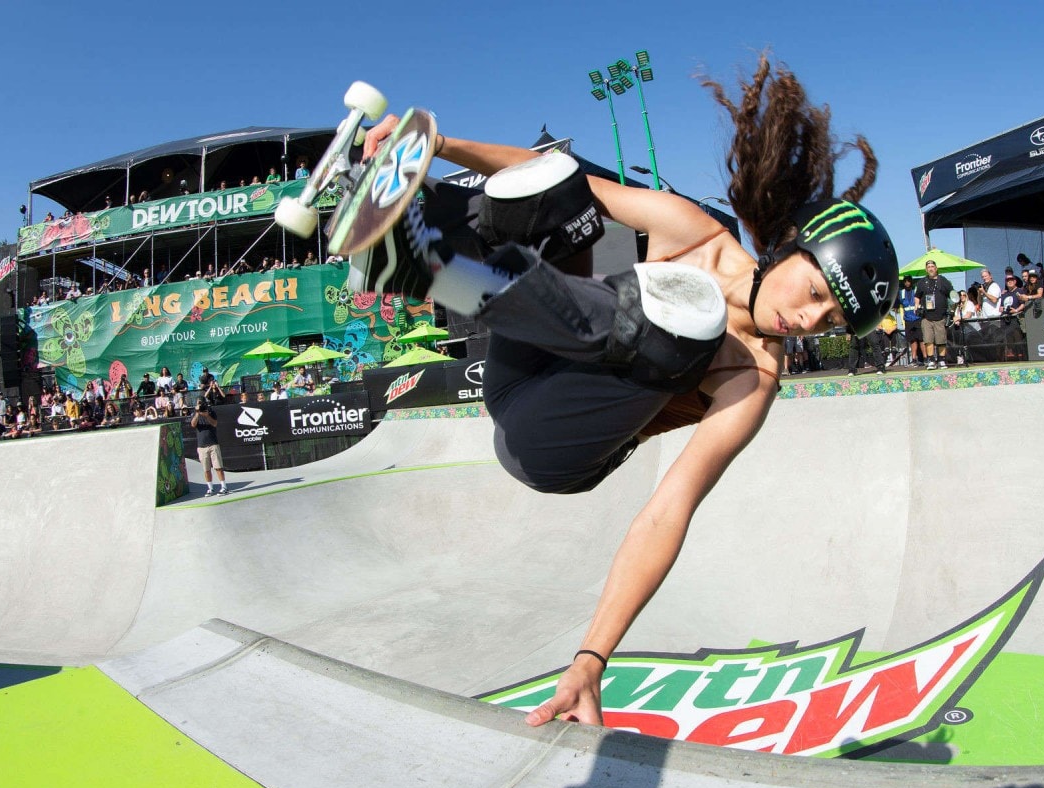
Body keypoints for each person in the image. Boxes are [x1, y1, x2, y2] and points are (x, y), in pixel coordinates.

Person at [356, 52, 896, 728]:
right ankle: (421, 228)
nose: (810, 320)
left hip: (553, 448)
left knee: (685, 323)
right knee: (559, 185)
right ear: (787, 250)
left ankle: (431, 274)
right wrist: (437, 146)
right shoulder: (694, 232)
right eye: (815, 292)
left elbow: (669, 510)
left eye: (831, 319)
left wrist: (592, 657)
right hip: (521, 367)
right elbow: (570, 182)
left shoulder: (753, 378)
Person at [914, 260, 954, 369]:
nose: (931, 268)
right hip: (926, 316)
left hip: (940, 316)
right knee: (928, 339)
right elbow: (917, 296)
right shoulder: (922, 282)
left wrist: (954, 309)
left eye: (932, 266)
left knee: (941, 340)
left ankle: (941, 360)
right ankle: (931, 360)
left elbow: (952, 294)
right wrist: (916, 306)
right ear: (926, 269)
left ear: (936, 268)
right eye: (928, 267)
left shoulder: (943, 280)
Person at [193, 400, 227, 496]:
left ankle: (224, 487)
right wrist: (197, 413)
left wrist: (207, 415)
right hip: (202, 446)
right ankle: (210, 488)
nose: (200, 405)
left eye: (201, 403)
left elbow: (214, 423)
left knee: (218, 467)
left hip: (213, 444)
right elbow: (193, 424)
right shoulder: (195, 414)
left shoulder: (211, 412)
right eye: (198, 403)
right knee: (206, 469)